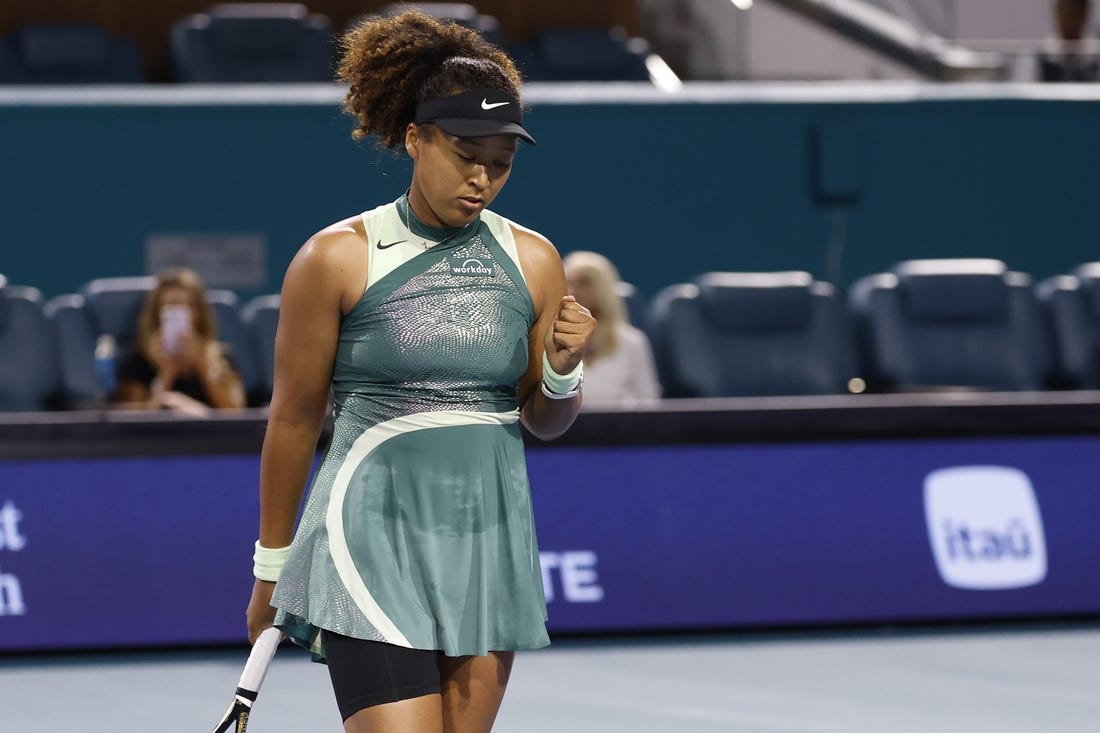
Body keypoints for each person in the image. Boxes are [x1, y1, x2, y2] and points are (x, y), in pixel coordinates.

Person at [244, 10, 596, 733]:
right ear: (414, 137)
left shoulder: (534, 259)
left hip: (487, 537)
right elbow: (293, 416)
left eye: (500, 161)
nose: (481, 177)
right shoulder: (335, 257)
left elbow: (543, 418)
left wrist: (560, 371)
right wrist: (270, 564)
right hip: (367, 537)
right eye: (465, 152)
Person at [113, 267, 245, 415]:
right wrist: (166, 375)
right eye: (171, 305)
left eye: (186, 306)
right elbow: (133, 425)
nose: (179, 313)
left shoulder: (223, 359)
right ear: (156, 313)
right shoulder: (135, 361)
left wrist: (202, 364)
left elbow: (236, 414)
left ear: (199, 313)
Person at [563, 251, 661, 406]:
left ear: (603, 288)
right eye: (569, 283)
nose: (573, 291)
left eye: (584, 282)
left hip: (622, 429)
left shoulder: (633, 342)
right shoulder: (551, 341)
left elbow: (648, 402)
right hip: (564, 429)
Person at [1039, 0, 1099, 81]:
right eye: (1066, 15)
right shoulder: (1041, 53)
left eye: (1074, 15)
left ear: (1084, 15)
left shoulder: (1096, 53)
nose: (1070, 22)